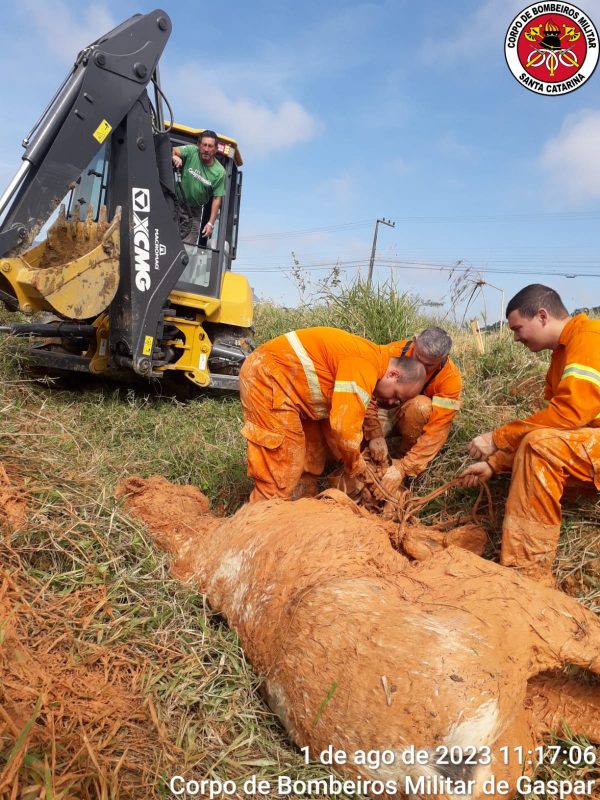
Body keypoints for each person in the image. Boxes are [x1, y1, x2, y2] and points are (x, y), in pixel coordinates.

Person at [461, 284, 600, 584]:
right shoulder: (560, 356)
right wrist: (495, 464)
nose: (515, 337)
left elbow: (569, 415)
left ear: (542, 315)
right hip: (590, 446)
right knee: (539, 442)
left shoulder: (589, 338)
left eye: (518, 328)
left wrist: (497, 438)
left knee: (539, 447)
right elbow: (554, 427)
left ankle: (526, 576)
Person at [239, 327, 426, 502]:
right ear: (393, 375)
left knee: (311, 457)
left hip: (290, 386)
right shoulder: (364, 365)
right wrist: (356, 465)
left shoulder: (373, 360)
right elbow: (344, 429)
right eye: (396, 395)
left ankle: (299, 504)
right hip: (268, 378)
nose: (392, 403)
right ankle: (259, 522)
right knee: (282, 469)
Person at [363, 327, 462, 494]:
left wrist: (404, 468)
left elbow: (438, 429)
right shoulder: (391, 352)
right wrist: (374, 434)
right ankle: (370, 467)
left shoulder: (450, 380)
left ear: (443, 358)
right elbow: (366, 393)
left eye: (429, 365)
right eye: (418, 357)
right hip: (379, 410)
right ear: (414, 342)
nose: (421, 367)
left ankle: (399, 463)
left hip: (410, 416)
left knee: (421, 406)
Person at [172, 130, 225, 246]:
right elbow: (172, 150)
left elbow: (217, 198)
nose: (206, 149)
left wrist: (210, 223)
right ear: (199, 145)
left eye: (210, 146)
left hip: (194, 212)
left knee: (187, 247)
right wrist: (174, 156)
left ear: (215, 149)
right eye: (204, 145)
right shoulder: (191, 151)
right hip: (175, 203)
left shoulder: (220, 172)